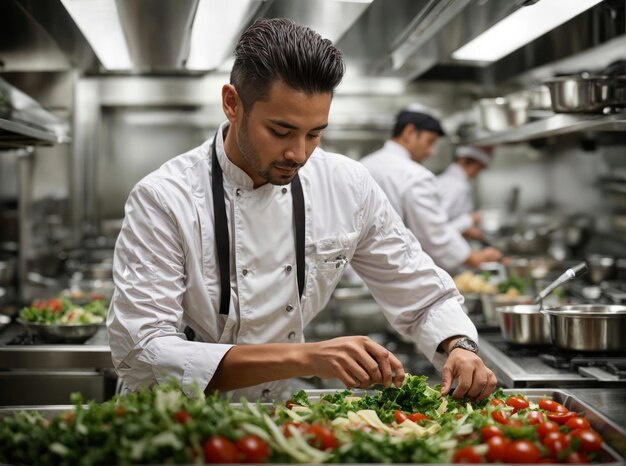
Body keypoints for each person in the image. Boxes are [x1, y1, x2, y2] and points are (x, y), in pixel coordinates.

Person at [107, 18, 496, 403]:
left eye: (315, 133)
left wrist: (459, 345)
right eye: (280, 131)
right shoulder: (164, 198)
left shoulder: (346, 185)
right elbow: (143, 352)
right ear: (232, 104)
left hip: (274, 411)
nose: (299, 154)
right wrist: (306, 357)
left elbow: (420, 291)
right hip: (170, 414)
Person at [360, 106, 502, 272]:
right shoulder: (414, 174)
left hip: (359, 270)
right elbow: (433, 233)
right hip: (392, 274)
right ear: (410, 132)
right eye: (430, 141)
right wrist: (472, 257)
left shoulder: (362, 165)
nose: (431, 151)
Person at [438, 146, 492, 241]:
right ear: (463, 161)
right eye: (477, 169)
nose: (476, 175)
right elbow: (438, 228)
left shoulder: (443, 179)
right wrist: (470, 219)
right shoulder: (457, 187)